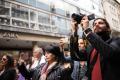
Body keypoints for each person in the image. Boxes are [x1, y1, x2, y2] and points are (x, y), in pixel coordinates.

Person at [71, 15, 120, 80]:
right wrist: (74, 32)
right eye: (94, 24)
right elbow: (75, 56)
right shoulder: (91, 47)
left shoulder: (116, 41)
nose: (96, 25)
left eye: (100, 23)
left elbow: (109, 53)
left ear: (108, 28)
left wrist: (87, 30)